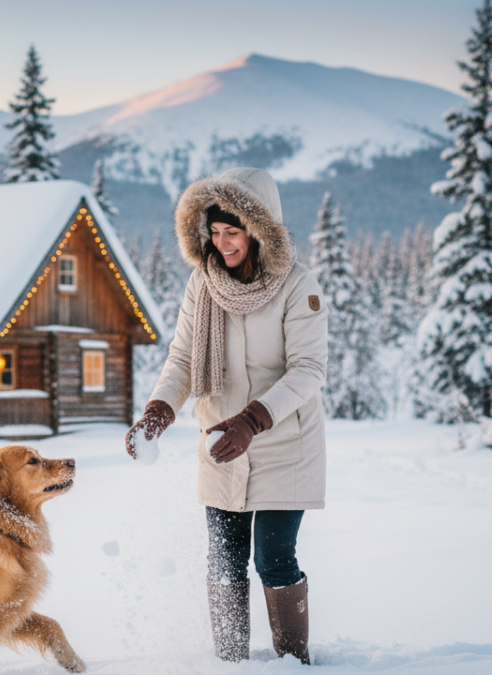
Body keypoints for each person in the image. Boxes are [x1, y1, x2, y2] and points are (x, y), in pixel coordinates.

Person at [126, 167, 327, 664]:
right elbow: (183, 360)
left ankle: (292, 664)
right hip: (221, 444)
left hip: (283, 444)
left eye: (232, 232)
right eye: (214, 233)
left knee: (274, 560)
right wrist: (158, 410)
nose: (222, 243)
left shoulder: (297, 285)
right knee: (224, 563)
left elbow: (308, 371)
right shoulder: (203, 283)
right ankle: (230, 664)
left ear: (258, 229)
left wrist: (253, 420)